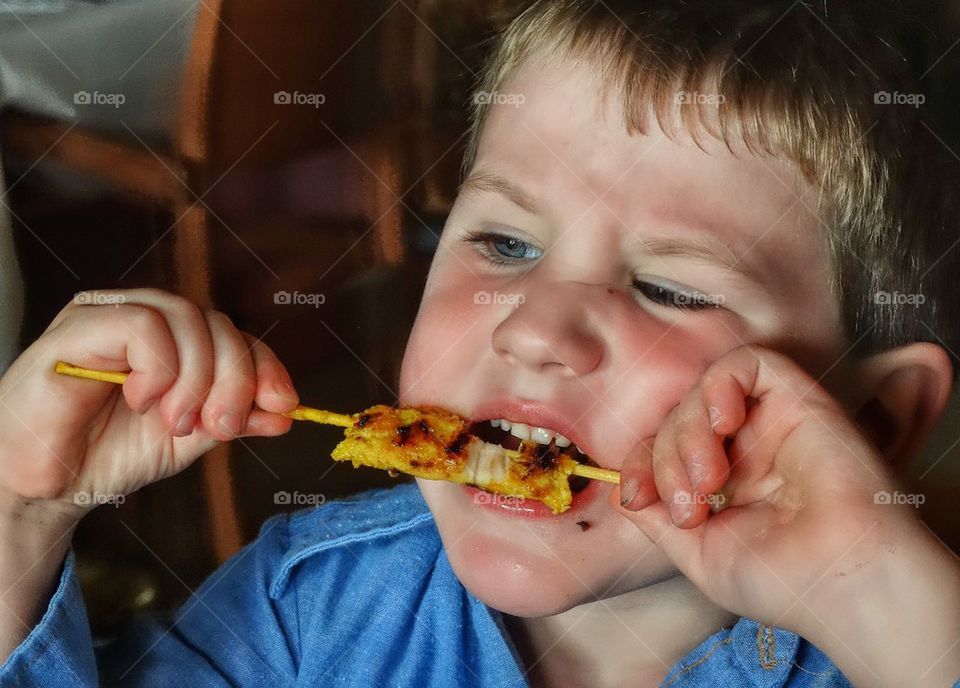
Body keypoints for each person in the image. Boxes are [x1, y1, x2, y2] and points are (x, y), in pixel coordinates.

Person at [2, 1, 960, 685]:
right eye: (504, 242)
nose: (536, 328)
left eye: (670, 287)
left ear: (869, 417)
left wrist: (872, 597)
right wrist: (18, 516)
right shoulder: (310, 607)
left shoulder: (894, 643)